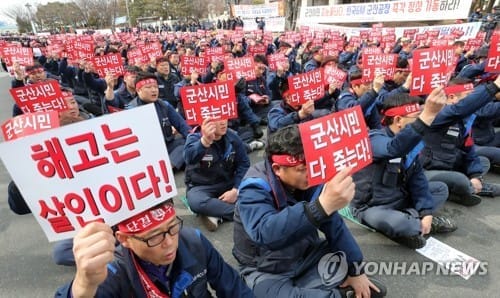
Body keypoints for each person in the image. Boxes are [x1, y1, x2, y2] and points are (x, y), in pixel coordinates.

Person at [233, 124, 387, 297]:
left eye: (312, 165)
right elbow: (266, 233)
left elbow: (335, 227)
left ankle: (327, 288)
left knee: (372, 289)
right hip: (265, 268)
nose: (310, 173)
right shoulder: (254, 188)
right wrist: (321, 206)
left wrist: (356, 270)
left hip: (306, 254)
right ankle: (333, 292)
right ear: (277, 169)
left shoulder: (310, 179)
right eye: (302, 169)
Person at [55, 200, 254, 297]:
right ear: (124, 239)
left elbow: (234, 287)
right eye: (153, 237)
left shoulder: (193, 241)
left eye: (172, 227)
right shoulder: (111, 274)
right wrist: (84, 285)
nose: (169, 242)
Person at [351, 89, 456, 249]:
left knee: (440, 189)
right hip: (373, 207)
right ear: (398, 120)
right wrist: (427, 115)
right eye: (417, 117)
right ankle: (413, 223)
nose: (422, 120)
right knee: (399, 223)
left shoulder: (412, 144)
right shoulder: (374, 139)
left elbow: (418, 179)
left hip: (400, 199)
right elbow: (393, 148)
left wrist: (426, 212)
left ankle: (416, 221)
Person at [420, 77, 500, 205]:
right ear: (451, 97)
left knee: (482, 162)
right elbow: (459, 109)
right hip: (427, 169)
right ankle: (465, 190)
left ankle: (471, 185)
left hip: (448, 163)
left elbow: (469, 150)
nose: (473, 102)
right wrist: (495, 86)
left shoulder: (463, 120)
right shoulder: (436, 115)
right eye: (468, 97)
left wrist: (475, 176)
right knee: (460, 179)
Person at [184, 118, 250, 231]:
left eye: (224, 117)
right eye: (217, 119)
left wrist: (236, 190)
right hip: (202, 186)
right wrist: (205, 141)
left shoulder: (232, 137)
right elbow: (189, 158)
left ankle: (215, 212)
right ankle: (245, 212)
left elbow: (244, 164)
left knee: (258, 184)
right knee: (196, 202)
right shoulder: (194, 137)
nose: (223, 122)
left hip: (228, 182)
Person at [128, 72, 192, 171]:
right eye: (148, 87)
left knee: (188, 142)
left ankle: (167, 167)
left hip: (167, 146)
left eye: (155, 87)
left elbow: (182, 126)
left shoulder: (164, 105)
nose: (154, 90)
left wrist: (198, 141)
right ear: (138, 90)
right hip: (147, 152)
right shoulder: (131, 110)